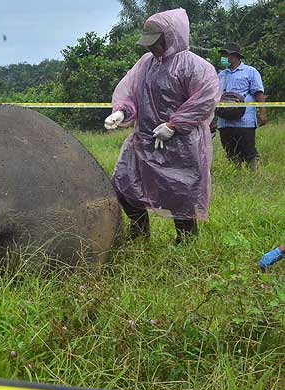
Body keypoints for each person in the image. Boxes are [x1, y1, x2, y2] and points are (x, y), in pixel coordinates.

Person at [104, 9, 220, 244]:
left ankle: (186, 241)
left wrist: (174, 125)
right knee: (124, 184)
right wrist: (121, 111)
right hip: (145, 140)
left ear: (172, 36)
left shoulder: (195, 66)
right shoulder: (146, 64)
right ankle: (139, 232)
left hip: (181, 144)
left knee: (182, 192)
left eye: (156, 43)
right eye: (149, 43)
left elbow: (205, 99)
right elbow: (130, 90)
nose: (151, 48)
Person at [216, 42, 268, 171]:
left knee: (248, 150)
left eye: (225, 55)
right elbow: (215, 97)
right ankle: (237, 176)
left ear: (235, 56)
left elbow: (258, 93)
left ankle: (254, 175)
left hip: (244, 121)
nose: (223, 57)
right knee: (230, 151)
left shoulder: (250, 72)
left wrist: (262, 113)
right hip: (225, 121)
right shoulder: (221, 75)